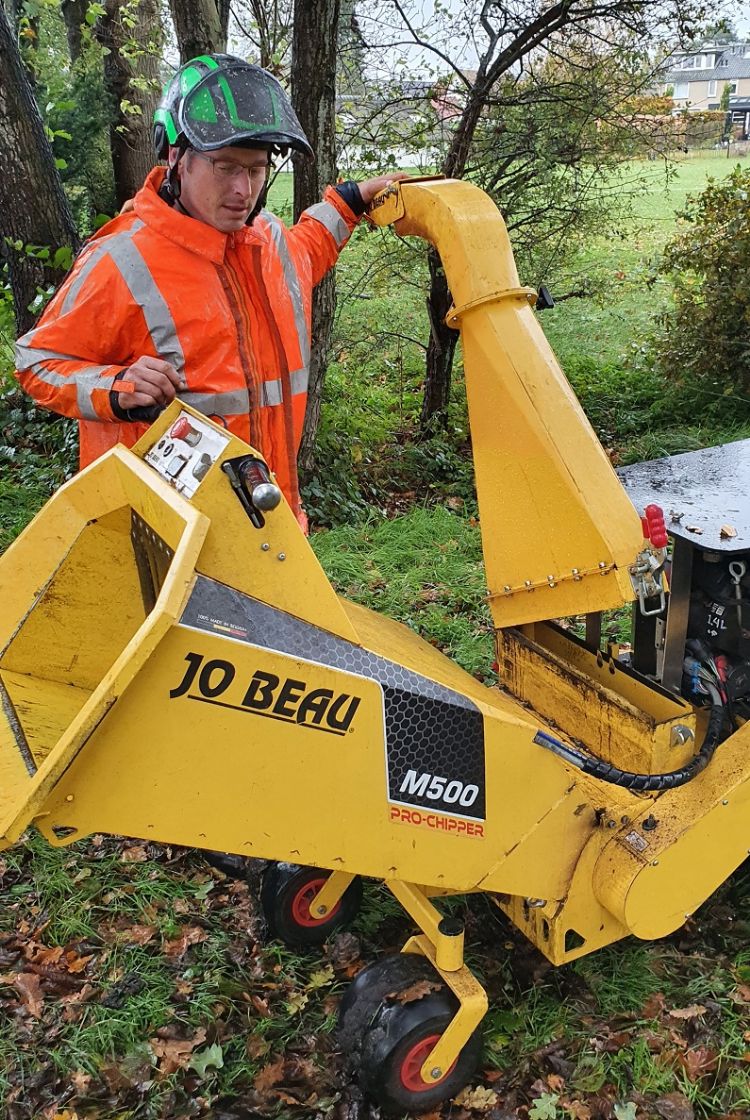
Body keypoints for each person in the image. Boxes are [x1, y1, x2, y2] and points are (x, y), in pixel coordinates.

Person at [15, 54, 404, 524]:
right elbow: (37, 364)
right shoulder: (122, 259)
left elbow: (311, 243)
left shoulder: (271, 244)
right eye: (225, 166)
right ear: (177, 158)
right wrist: (115, 388)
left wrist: (350, 202)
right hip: (166, 538)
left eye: (257, 169)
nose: (244, 188)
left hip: (274, 528)